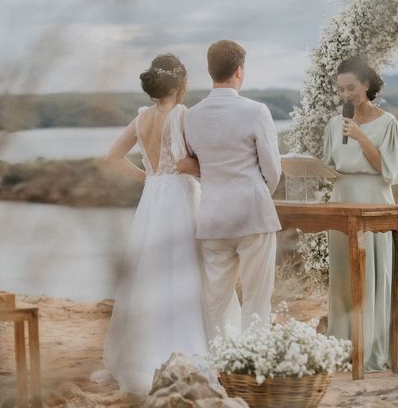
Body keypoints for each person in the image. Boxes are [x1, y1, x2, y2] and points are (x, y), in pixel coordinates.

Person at [96, 54, 210, 394]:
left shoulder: (142, 117)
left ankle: (139, 351)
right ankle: (181, 349)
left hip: (152, 198)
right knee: (183, 269)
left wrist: (147, 177)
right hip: (178, 196)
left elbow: (111, 158)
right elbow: (187, 162)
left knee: (150, 271)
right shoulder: (181, 114)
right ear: (181, 84)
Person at [323, 56, 398, 372]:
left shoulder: (388, 123)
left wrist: (362, 137)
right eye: (340, 89)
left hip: (374, 199)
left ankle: (377, 346)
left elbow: (389, 170)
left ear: (366, 85)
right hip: (341, 200)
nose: (346, 95)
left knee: (375, 272)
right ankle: (347, 346)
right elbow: (330, 165)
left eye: (351, 87)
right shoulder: (332, 124)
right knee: (344, 275)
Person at [183, 40, 282, 339]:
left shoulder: (192, 115)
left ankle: (216, 364)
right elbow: (273, 169)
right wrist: (261, 193)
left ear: (210, 71)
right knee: (256, 298)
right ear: (239, 71)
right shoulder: (256, 111)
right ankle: (252, 367)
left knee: (215, 300)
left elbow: (197, 165)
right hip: (253, 212)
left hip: (213, 216)